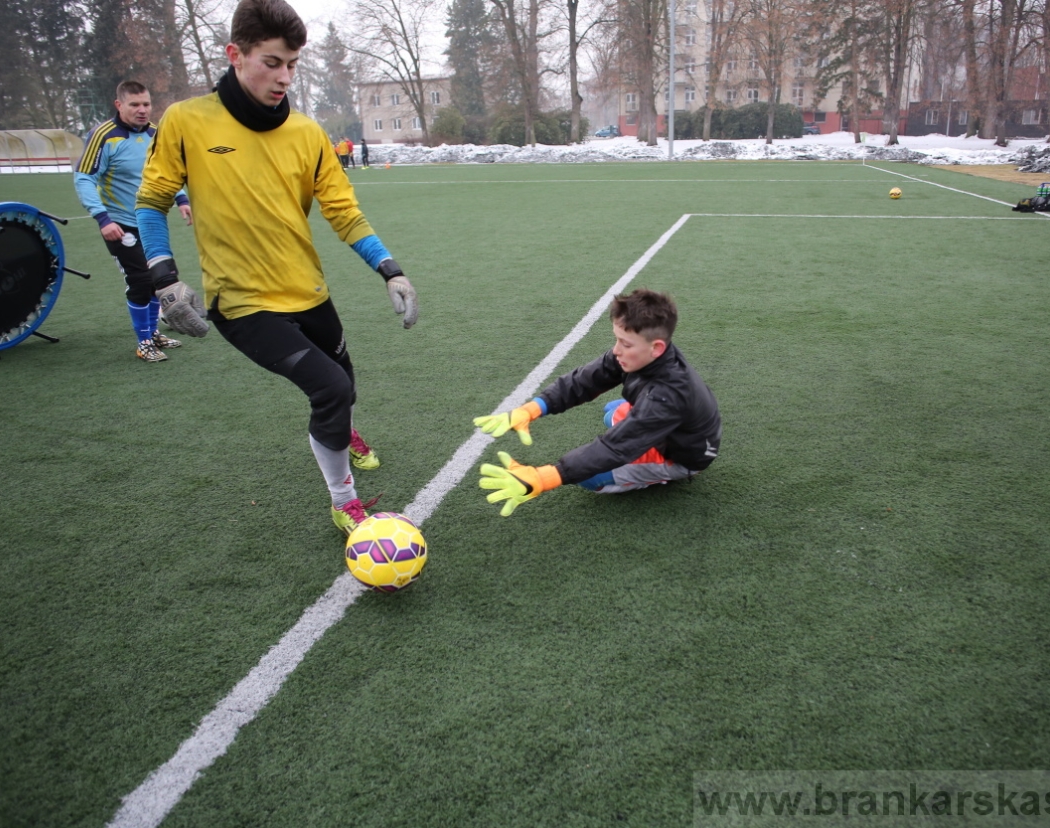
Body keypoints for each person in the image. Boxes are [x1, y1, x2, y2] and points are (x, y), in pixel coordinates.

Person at [134, 0, 419, 536]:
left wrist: (390, 268)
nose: (284, 76)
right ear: (235, 55)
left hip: (308, 291)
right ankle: (344, 501)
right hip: (241, 304)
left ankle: (344, 434)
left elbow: (343, 212)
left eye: (292, 64)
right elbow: (151, 202)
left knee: (346, 388)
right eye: (272, 62)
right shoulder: (187, 121)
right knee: (329, 390)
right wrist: (165, 281)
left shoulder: (308, 134)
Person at [474, 289, 721, 516]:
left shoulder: (668, 396)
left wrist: (543, 477)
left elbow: (614, 448)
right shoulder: (644, 355)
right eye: (617, 339)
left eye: (625, 344)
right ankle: (645, 439)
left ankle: (671, 473)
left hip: (682, 456)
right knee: (611, 412)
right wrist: (532, 408)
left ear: (656, 348)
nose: (616, 351)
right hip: (668, 425)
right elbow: (584, 381)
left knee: (589, 477)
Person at [74, 80, 193, 363]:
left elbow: (166, 171)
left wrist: (182, 198)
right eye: (135, 105)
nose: (142, 110)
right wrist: (102, 218)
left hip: (151, 221)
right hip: (118, 223)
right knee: (140, 278)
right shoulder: (104, 135)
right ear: (119, 105)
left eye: (146, 104)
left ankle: (152, 333)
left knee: (157, 278)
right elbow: (84, 178)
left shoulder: (156, 133)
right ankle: (143, 343)